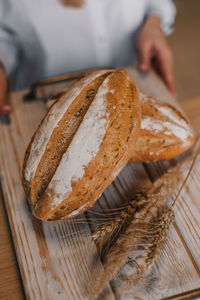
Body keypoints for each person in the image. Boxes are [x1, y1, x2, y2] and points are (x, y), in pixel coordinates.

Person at [0, 0, 176, 114]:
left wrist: (153, 24)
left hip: (136, 89)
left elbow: (157, 4)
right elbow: (4, 36)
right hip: (41, 106)